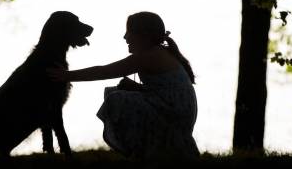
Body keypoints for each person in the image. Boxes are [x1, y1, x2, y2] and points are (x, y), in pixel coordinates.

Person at [47, 11, 199, 159]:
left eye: (129, 32)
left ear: (144, 36)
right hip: (176, 110)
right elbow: (166, 90)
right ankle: (152, 151)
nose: (125, 37)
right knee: (115, 92)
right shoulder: (159, 52)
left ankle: (144, 153)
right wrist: (139, 88)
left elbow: (104, 72)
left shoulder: (149, 55)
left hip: (175, 113)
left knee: (117, 100)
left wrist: (67, 75)